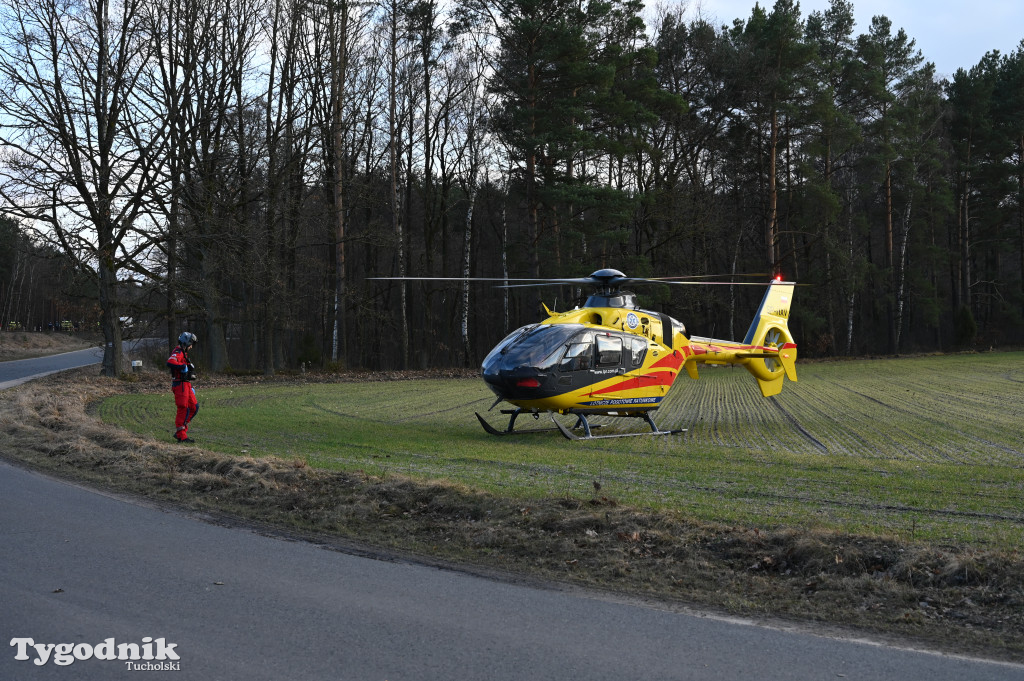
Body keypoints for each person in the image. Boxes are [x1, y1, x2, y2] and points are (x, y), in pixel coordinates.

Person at [167, 331, 199, 443]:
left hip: (186, 385)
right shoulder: (178, 352)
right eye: (191, 344)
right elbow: (170, 362)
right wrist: (183, 366)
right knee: (183, 408)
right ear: (186, 343)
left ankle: (181, 431)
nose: (191, 347)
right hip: (180, 385)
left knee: (194, 407)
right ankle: (181, 435)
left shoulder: (184, 353)